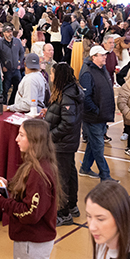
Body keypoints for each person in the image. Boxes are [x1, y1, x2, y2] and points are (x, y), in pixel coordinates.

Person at [0, 119, 60, 259]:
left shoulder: (39, 173)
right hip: (32, 240)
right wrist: (10, 184)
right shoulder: (37, 165)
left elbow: (30, 213)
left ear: (34, 140)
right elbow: (30, 192)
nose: (16, 139)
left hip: (32, 242)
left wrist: (2, 202)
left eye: (21, 135)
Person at [44, 63, 83, 227]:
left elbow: (68, 123)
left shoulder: (67, 95)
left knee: (62, 178)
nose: (50, 77)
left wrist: (50, 137)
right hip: (68, 143)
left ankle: (63, 213)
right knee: (70, 173)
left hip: (62, 143)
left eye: (52, 74)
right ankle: (72, 205)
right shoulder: (70, 91)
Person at [79, 46, 117, 182]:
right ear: (94, 57)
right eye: (102, 55)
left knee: (93, 144)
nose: (105, 57)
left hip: (101, 116)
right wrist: (96, 110)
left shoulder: (102, 70)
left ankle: (85, 168)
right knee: (98, 146)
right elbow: (85, 97)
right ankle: (105, 175)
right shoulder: (88, 74)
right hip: (93, 117)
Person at [0, 24, 25, 105]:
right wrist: (2, 66)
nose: (10, 33)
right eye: (8, 32)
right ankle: (4, 105)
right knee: (5, 89)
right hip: (7, 70)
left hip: (16, 69)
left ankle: (13, 103)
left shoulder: (17, 41)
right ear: (4, 33)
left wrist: (19, 62)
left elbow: (22, 52)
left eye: (11, 31)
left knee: (18, 87)